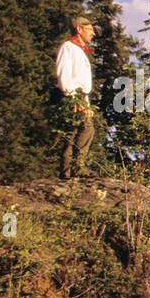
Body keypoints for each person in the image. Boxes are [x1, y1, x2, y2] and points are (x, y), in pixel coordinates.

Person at [55, 15, 95, 179]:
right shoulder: (68, 47)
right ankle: (78, 167)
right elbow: (63, 74)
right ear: (79, 29)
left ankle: (67, 174)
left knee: (71, 134)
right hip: (73, 97)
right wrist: (73, 98)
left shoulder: (79, 49)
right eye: (90, 29)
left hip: (80, 98)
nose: (93, 33)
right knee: (87, 128)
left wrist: (85, 103)